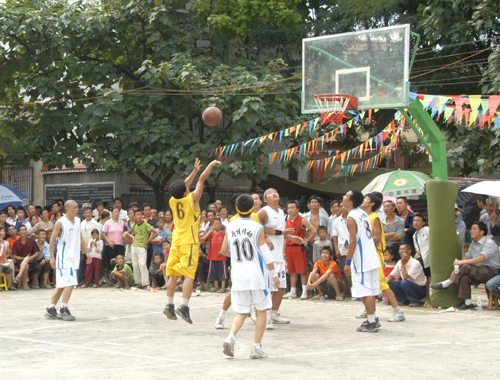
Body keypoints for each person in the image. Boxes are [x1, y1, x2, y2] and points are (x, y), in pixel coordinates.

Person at [220, 194, 279, 359]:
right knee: (262, 310)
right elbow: (266, 254)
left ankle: (230, 337)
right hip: (257, 275)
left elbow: (224, 251)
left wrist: (239, 257)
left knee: (242, 312)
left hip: (239, 275)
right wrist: (274, 274)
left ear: (237, 209)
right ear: (253, 208)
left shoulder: (230, 226)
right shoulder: (257, 227)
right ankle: (256, 347)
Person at [163, 158, 222, 324]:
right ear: (185, 192)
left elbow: (182, 185)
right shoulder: (193, 199)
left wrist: (194, 171)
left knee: (173, 274)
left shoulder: (173, 201)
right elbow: (202, 180)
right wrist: (209, 166)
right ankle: (184, 306)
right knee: (189, 274)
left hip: (176, 241)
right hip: (189, 242)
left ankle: (169, 305)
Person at [257, 188, 304, 329]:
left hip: (278, 255)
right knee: (269, 287)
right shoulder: (263, 212)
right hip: (268, 255)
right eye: (270, 193)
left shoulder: (281, 212)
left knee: (281, 286)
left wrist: (291, 237)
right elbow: (257, 228)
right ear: (265, 199)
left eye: (275, 192)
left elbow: (281, 233)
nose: (274, 193)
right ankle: (264, 316)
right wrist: (266, 237)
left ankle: (274, 312)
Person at [431, 221, 500, 309]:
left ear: (482, 232)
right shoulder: (474, 243)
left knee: (466, 266)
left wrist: (461, 263)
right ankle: (468, 303)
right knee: (465, 277)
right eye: (471, 229)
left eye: (474, 229)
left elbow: (482, 258)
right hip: (479, 271)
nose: (471, 231)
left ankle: (447, 283)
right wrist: (458, 268)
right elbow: (467, 256)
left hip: (491, 271)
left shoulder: (489, 243)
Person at [360, 193, 405, 322]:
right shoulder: (366, 217)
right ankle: (369, 310)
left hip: (375, 253)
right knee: (367, 283)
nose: (363, 201)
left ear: (372, 203)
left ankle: (398, 311)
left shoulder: (375, 218)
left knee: (381, 283)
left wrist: (362, 240)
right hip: (368, 253)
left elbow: (378, 238)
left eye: (366, 199)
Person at [45, 200, 91, 321]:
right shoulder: (60, 223)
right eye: (75, 207)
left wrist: (86, 252)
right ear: (68, 209)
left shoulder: (78, 221)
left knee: (61, 285)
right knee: (70, 283)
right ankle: (63, 308)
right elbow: (52, 240)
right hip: (64, 258)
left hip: (74, 257)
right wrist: (52, 258)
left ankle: (51, 308)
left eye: (77, 207)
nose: (77, 209)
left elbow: (80, 237)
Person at [344, 189, 381, 333]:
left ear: (350, 202)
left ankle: (372, 321)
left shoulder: (352, 217)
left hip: (362, 259)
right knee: (368, 290)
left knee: (366, 291)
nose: (343, 197)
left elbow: (353, 241)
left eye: (346, 196)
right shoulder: (363, 213)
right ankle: (373, 317)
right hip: (370, 256)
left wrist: (348, 262)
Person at [284, 200, 316, 300]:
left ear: (297, 209)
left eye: (292, 208)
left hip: (298, 248)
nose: (290, 210)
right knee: (292, 271)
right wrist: (283, 251)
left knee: (302, 271)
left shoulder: (302, 220)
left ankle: (304, 291)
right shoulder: (287, 222)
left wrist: (306, 241)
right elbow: (285, 237)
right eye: (289, 208)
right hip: (289, 248)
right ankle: (293, 291)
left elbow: (314, 231)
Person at [123, 209, 158, 288]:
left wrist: (149, 240)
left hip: (142, 247)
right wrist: (132, 237)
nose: (139, 216)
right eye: (137, 215)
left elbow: (155, 232)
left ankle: (146, 283)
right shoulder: (135, 225)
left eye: (140, 215)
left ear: (142, 216)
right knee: (135, 265)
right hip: (134, 247)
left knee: (142, 265)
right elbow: (128, 232)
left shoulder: (145, 225)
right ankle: (138, 283)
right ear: (134, 217)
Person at [200, 218, 227, 292]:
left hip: (221, 256)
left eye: (218, 223)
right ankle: (216, 286)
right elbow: (203, 239)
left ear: (221, 225)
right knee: (214, 272)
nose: (217, 225)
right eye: (215, 224)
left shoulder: (224, 233)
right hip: (213, 256)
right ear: (213, 225)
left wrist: (223, 251)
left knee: (222, 272)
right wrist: (210, 231)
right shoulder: (211, 233)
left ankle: (223, 287)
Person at [102, 208, 126, 285]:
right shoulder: (108, 222)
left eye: (118, 212)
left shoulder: (122, 223)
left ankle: (119, 280)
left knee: (119, 262)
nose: (116, 213)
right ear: (111, 213)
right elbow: (103, 233)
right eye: (115, 212)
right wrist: (108, 241)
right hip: (110, 245)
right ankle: (110, 280)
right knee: (110, 262)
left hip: (120, 245)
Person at [331, 202, 351, 297]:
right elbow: (335, 236)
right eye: (341, 206)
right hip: (341, 247)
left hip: (353, 247)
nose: (343, 208)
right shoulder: (336, 221)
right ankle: (345, 289)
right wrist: (336, 249)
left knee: (353, 270)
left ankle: (353, 290)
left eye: (344, 205)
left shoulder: (353, 218)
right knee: (342, 271)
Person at [12, 225, 40, 289]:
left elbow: (37, 252)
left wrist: (31, 257)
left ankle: (19, 276)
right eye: (22, 230)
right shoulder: (16, 243)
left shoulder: (32, 240)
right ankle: (25, 284)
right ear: (19, 232)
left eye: (25, 230)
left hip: (31, 260)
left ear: (27, 231)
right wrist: (24, 258)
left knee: (27, 260)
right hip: (20, 261)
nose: (24, 231)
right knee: (26, 265)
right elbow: (14, 256)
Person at [413, 214, 430, 279]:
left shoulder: (427, 230)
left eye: (418, 221)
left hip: (429, 257)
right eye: (414, 221)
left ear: (423, 223)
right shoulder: (415, 235)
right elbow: (418, 251)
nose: (415, 222)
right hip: (422, 259)